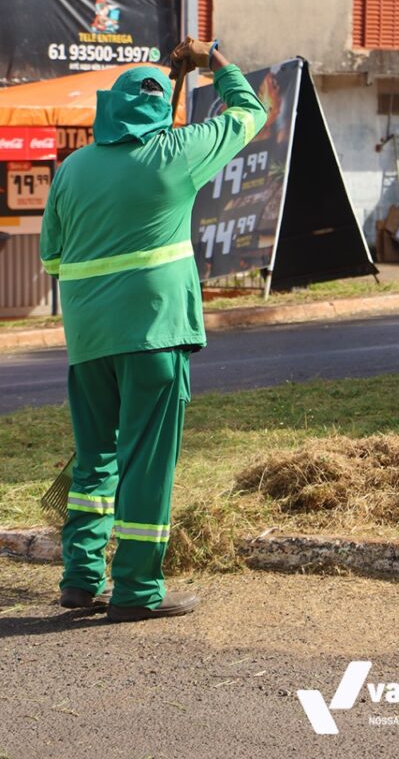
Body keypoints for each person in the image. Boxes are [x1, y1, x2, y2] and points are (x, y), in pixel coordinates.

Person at [40, 37, 267, 622]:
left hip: (88, 342)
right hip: (156, 336)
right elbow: (249, 112)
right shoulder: (176, 153)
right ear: (161, 113)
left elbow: (51, 259)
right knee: (146, 459)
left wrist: (169, 71)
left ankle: (80, 577)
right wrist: (213, 57)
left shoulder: (72, 171)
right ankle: (138, 589)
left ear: (107, 107)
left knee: (95, 459)